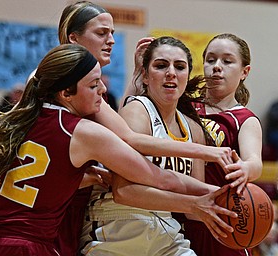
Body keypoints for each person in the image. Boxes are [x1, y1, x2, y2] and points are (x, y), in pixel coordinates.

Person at [0, 44, 236, 256]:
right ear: (66, 93)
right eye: (93, 85)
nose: (103, 91)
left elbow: (36, 180)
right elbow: (157, 176)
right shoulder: (83, 131)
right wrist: (213, 195)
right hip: (25, 245)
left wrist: (83, 177)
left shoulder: (26, 116)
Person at [53, 1, 234, 254]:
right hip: (94, 215)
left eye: (113, 33)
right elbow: (128, 138)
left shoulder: (90, 90)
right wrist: (205, 155)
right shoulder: (59, 82)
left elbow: (121, 131)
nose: (111, 40)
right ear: (74, 38)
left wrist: (228, 202)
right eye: (102, 33)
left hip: (152, 221)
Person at [80, 36, 218, 255]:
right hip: (117, 227)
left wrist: (230, 206)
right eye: (161, 66)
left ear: (187, 75)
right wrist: (193, 204)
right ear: (144, 75)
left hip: (165, 229)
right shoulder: (137, 111)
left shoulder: (194, 129)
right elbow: (125, 192)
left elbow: (195, 206)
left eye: (180, 67)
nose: (171, 72)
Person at [182, 33, 263, 256]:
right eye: (210, 60)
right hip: (178, 216)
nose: (216, 67)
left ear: (244, 72)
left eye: (227, 61)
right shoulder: (184, 108)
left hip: (221, 223)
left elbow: (254, 162)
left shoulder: (243, 119)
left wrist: (246, 169)